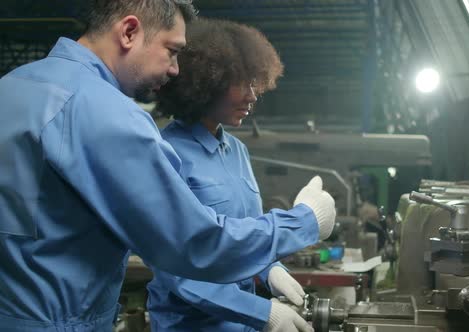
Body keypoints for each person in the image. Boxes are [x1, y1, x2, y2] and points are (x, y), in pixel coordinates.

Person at [0, 1, 335, 331]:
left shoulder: (12, 88)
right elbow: (193, 245)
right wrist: (304, 220)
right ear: (129, 32)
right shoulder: (107, 114)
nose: (176, 69)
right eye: (172, 51)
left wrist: (266, 268)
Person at [147, 19, 315, 332]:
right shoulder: (165, 154)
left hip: (243, 323)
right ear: (206, 84)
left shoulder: (236, 151)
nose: (254, 96)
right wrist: (263, 312)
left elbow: (246, 236)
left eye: (256, 83)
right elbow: (178, 272)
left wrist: (270, 269)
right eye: (244, 84)